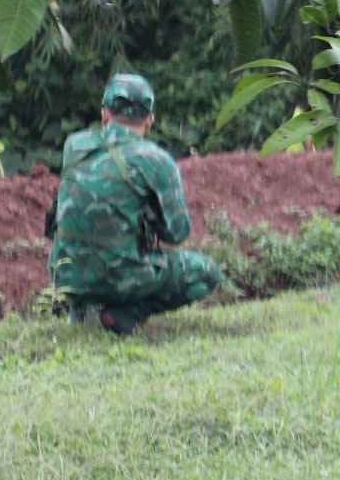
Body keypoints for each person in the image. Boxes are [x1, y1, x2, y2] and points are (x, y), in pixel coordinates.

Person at [47, 73, 223, 335]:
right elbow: (177, 233)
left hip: (63, 272)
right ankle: (124, 314)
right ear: (150, 121)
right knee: (207, 273)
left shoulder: (74, 145)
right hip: (117, 277)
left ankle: (82, 310)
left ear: (105, 115)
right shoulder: (156, 160)